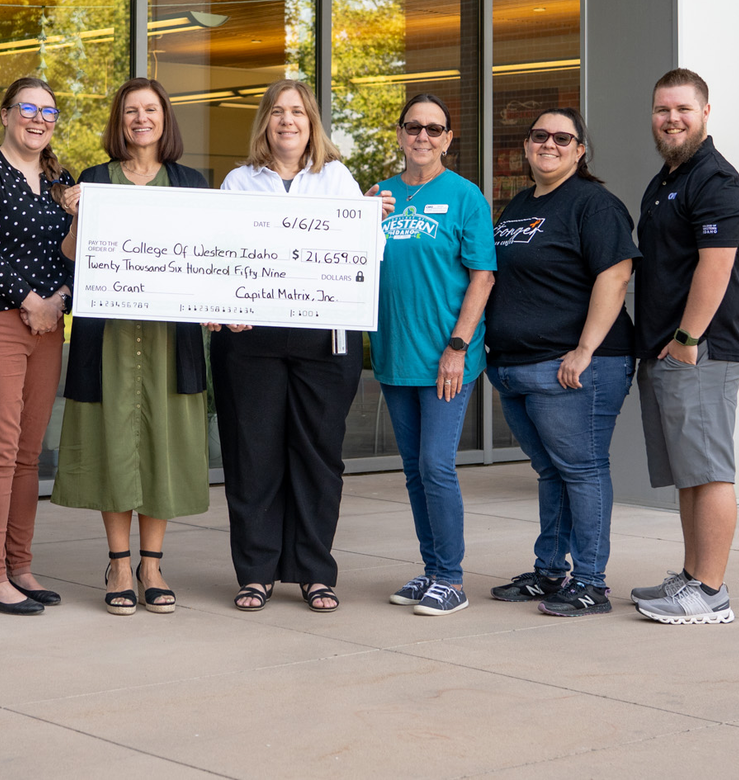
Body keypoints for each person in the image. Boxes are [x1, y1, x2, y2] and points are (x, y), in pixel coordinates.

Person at [210, 78, 392, 613]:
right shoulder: (239, 182)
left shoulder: (337, 180)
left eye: (298, 112)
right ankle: (256, 572)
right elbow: (219, 255)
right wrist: (223, 306)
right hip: (252, 339)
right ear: (265, 122)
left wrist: (369, 222)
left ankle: (315, 571)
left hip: (325, 337)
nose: (287, 121)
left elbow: (369, 256)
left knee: (317, 457)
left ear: (312, 123)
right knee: (253, 456)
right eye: (277, 112)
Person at [53, 78, 209, 615]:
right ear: (119, 121)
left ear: (165, 119)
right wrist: (76, 215)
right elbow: (72, 256)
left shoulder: (192, 183)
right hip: (110, 336)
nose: (141, 119)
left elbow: (208, 258)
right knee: (113, 444)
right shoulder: (95, 180)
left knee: (161, 443)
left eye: (150, 110)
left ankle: (153, 563)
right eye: (130, 111)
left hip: (171, 337)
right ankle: (119, 562)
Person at [486, 107, 638, 616]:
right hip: (516, 367)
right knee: (552, 471)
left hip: (575, 368)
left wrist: (585, 349)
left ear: (580, 150)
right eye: (538, 136)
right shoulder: (520, 203)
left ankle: (591, 582)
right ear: (527, 145)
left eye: (561, 137)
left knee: (583, 470)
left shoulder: (594, 204)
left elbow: (615, 277)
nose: (547, 144)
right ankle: (551, 572)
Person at [630, 69, 739, 625]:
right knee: (689, 470)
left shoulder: (715, 179)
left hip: (700, 349)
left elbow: (716, 266)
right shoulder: (667, 178)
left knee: (709, 470)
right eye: (662, 109)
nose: (671, 118)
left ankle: (711, 591)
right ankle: (691, 575)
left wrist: (686, 339)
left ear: (705, 111)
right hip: (667, 350)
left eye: (682, 108)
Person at [0, 76, 74, 615]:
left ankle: (20, 566)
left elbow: (76, 255)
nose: (38, 119)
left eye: (48, 112)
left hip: (48, 327)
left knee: (29, 455)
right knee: (0, 453)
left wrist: (59, 297)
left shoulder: (62, 180)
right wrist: (31, 300)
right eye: (28, 108)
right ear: (6, 114)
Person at [372, 94, 495, 617]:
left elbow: (482, 276)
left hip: (446, 357)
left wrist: (458, 346)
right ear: (400, 135)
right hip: (394, 355)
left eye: (434, 129)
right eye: (413, 127)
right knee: (415, 470)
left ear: (448, 138)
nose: (423, 136)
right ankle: (431, 570)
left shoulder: (466, 197)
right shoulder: (379, 196)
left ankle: (452, 577)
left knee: (435, 465)